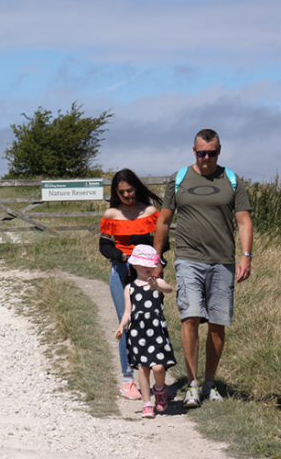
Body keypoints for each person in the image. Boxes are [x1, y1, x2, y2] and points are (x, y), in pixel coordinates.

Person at [152, 128, 253, 408]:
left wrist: (246, 256)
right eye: (201, 152)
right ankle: (192, 384)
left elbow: (244, 221)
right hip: (188, 258)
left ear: (219, 151)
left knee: (218, 324)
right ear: (193, 150)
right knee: (191, 317)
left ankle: (210, 383)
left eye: (211, 152)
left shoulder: (231, 180)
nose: (206, 157)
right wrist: (156, 259)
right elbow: (163, 221)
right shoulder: (179, 179)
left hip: (223, 260)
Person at [99, 169, 164, 400]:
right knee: (125, 322)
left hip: (148, 273)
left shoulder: (150, 212)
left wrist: (157, 264)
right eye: (122, 192)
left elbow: (161, 242)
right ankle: (128, 380)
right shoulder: (111, 214)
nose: (127, 195)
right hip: (121, 272)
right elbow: (104, 246)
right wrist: (122, 257)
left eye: (130, 190)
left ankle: (156, 379)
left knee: (150, 321)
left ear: (137, 187)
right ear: (116, 193)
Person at [115, 244, 176, 419]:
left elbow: (169, 289)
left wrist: (157, 286)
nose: (147, 269)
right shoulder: (130, 288)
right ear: (134, 265)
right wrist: (121, 326)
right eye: (143, 265)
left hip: (156, 332)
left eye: (151, 265)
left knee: (158, 366)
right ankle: (147, 403)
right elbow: (128, 312)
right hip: (138, 333)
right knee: (143, 368)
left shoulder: (157, 283)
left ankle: (159, 389)